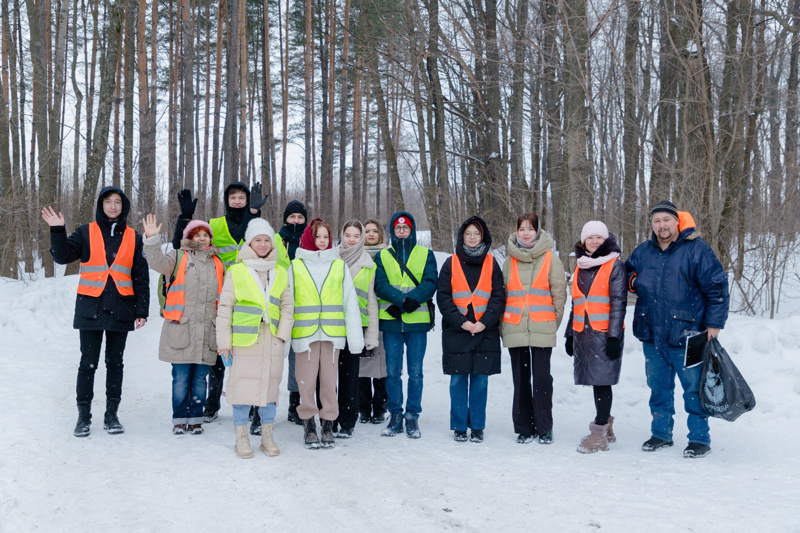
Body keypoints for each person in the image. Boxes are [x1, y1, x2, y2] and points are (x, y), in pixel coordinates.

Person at [42, 187, 150, 437]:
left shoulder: (134, 237)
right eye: (108, 202)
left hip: (121, 308)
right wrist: (58, 230)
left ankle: (112, 415)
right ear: (101, 205)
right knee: (87, 364)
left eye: (117, 202)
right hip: (90, 308)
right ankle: (83, 417)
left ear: (124, 206)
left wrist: (141, 310)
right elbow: (61, 257)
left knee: (115, 364)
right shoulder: (85, 232)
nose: (113, 206)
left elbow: (140, 276)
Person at [625, 200, 729, 459]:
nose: (662, 225)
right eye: (656, 221)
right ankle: (661, 433)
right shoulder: (644, 251)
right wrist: (635, 281)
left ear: (676, 221)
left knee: (693, 390)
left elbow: (716, 287)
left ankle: (699, 439)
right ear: (652, 225)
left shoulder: (696, 249)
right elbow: (626, 274)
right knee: (658, 388)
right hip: (651, 333)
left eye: (666, 220)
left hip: (689, 335)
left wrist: (714, 324)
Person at [171, 183, 268, 432]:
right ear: (226, 200)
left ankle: (251, 405)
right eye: (233, 197)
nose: (237, 201)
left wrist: (255, 212)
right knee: (216, 353)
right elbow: (181, 245)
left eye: (242, 197)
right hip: (218, 296)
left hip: (249, 295)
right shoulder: (213, 224)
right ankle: (211, 406)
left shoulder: (255, 224)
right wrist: (184, 219)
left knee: (249, 354)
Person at [216, 218, 294, 458]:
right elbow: (225, 308)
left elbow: (288, 306)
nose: (262, 244)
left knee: (270, 389)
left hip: (272, 340)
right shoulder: (237, 270)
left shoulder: (279, 271)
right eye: (258, 240)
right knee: (241, 389)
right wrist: (224, 344)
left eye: (266, 240)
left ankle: (267, 437)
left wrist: (282, 336)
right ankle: (241, 438)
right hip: (244, 341)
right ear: (250, 242)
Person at [142, 216, 224, 435]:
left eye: (205, 235)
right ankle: (179, 418)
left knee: (199, 379)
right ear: (189, 237)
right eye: (197, 234)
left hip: (208, 330)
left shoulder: (217, 262)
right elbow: (157, 262)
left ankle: (196, 418)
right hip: (181, 329)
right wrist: (151, 239)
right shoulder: (177, 256)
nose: (202, 238)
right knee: (180, 378)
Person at [291, 218, 364, 449]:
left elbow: (349, 304)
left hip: (332, 335)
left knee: (329, 382)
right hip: (305, 335)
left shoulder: (339, 265)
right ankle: (309, 424)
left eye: (326, 237)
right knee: (306, 382)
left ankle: (328, 423)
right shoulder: (296, 265)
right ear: (309, 238)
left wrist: (355, 340)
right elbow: (289, 303)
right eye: (318, 236)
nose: (322, 241)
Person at [436, 216, 505, 443]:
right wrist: (461, 322)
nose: (473, 237)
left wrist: (485, 321)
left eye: (476, 233)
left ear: (482, 236)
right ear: (462, 237)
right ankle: (458, 425)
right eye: (468, 234)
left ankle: (477, 425)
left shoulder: (492, 263)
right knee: (458, 380)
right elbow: (443, 297)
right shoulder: (451, 262)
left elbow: (498, 296)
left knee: (480, 380)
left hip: (485, 330)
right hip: (458, 330)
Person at [501, 213, 567, 444]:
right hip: (515, 326)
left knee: (541, 380)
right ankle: (524, 428)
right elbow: (503, 295)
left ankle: (544, 427)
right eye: (522, 229)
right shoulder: (509, 260)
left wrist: (552, 324)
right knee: (520, 380)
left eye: (530, 228)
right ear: (516, 232)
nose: (526, 233)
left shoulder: (550, 258)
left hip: (542, 327)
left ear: (538, 231)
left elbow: (559, 295)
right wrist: (504, 326)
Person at [564, 221, 627, 453]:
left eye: (598, 238)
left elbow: (618, 303)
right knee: (596, 381)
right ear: (583, 241)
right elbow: (576, 303)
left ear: (605, 240)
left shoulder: (614, 265)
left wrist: (614, 337)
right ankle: (606, 424)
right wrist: (569, 334)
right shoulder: (581, 265)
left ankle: (598, 432)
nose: (594, 241)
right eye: (589, 238)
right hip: (583, 333)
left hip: (603, 334)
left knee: (602, 382)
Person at [374, 212, 438, 438]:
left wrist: (413, 300)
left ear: (412, 230)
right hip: (391, 323)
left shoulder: (425, 254)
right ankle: (395, 415)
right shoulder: (382, 256)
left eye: (406, 228)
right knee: (392, 373)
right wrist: (401, 302)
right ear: (393, 231)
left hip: (417, 322)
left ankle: (412, 416)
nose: (402, 231)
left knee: (416, 372)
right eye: (398, 228)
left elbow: (431, 282)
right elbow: (380, 284)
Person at [334, 220, 379, 438]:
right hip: (332, 325)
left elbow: (371, 301)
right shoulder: (331, 258)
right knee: (328, 375)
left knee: (350, 375)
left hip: (356, 326)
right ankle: (329, 418)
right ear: (341, 235)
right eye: (347, 235)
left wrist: (371, 336)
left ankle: (348, 420)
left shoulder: (368, 263)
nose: (351, 239)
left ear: (361, 238)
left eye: (355, 235)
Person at [277, 200, 308, 425]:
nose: (296, 221)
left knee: (298, 358)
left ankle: (295, 403)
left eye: (300, 217)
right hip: (279, 304)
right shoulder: (276, 240)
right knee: (274, 356)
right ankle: (260, 404)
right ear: (285, 219)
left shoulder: (310, 242)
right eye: (292, 217)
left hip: (305, 305)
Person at [359, 219, 389, 423]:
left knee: (381, 365)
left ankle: (380, 407)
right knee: (361, 364)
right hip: (362, 315)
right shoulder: (355, 256)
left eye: (374, 231)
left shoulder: (387, 256)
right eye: (367, 231)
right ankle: (363, 407)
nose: (370, 234)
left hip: (384, 314)